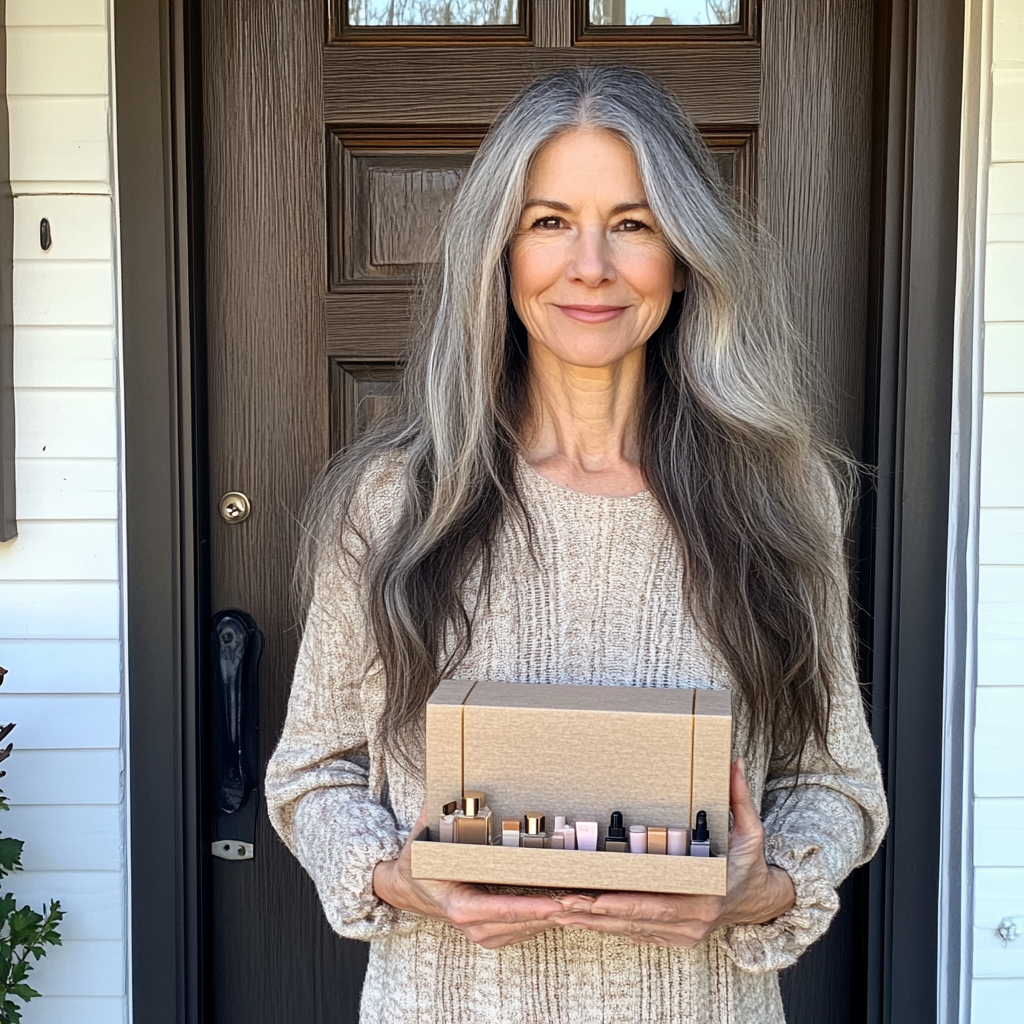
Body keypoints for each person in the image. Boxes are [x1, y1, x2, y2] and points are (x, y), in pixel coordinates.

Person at [266, 65, 887, 1023]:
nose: (589, 265)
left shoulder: (777, 497)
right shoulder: (397, 501)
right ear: (500, 253)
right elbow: (315, 772)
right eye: (549, 221)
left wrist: (762, 891)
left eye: (632, 224)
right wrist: (397, 877)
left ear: (682, 256)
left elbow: (834, 781)